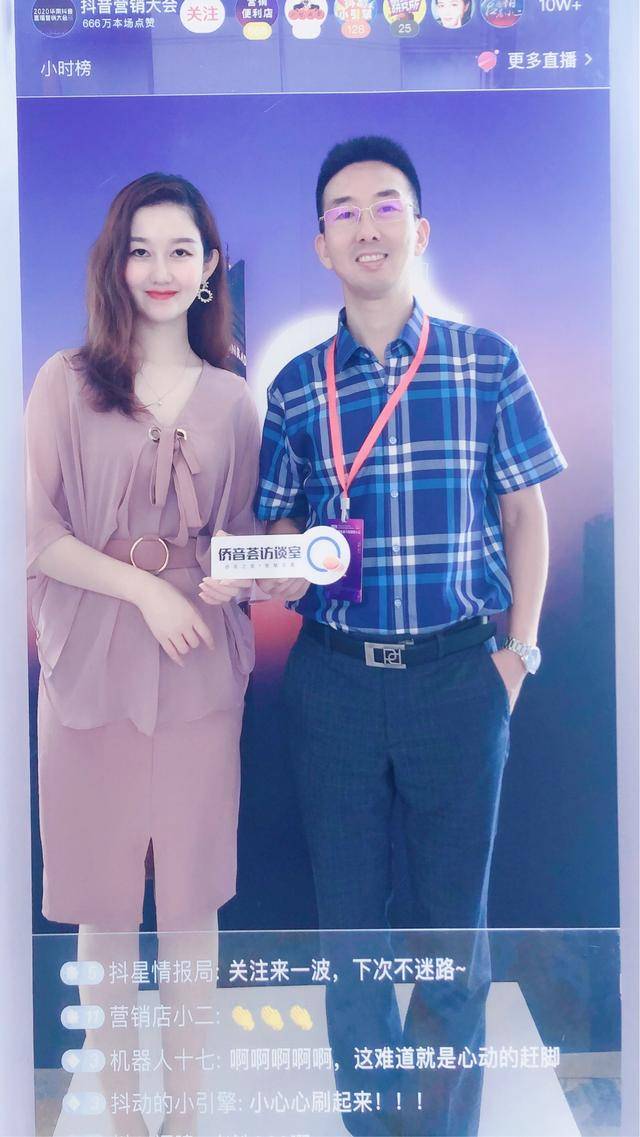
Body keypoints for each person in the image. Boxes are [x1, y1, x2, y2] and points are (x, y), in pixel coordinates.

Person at [254, 136, 566, 1136]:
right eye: (343, 211)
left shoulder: (485, 361)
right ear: (321, 245)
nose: (367, 226)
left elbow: (525, 514)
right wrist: (278, 554)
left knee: (450, 936)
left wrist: (516, 654)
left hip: (457, 677)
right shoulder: (297, 386)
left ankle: (439, 1125)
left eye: (386, 205)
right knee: (351, 938)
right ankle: (371, 1122)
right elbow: (275, 525)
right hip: (334, 684)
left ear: (419, 230)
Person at [25, 172, 259, 1136]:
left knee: (194, 907)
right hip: (90, 664)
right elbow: (37, 535)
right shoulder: (64, 380)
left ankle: (186, 1117)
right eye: (140, 249)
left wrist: (244, 575)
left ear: (208, 269)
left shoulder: (235, 397)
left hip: (199, 666)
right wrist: (146, 588)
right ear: (114, 264)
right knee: (105, 910)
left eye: (180, 250)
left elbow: (242, 537)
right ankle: (125, 1119)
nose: (160, 269)